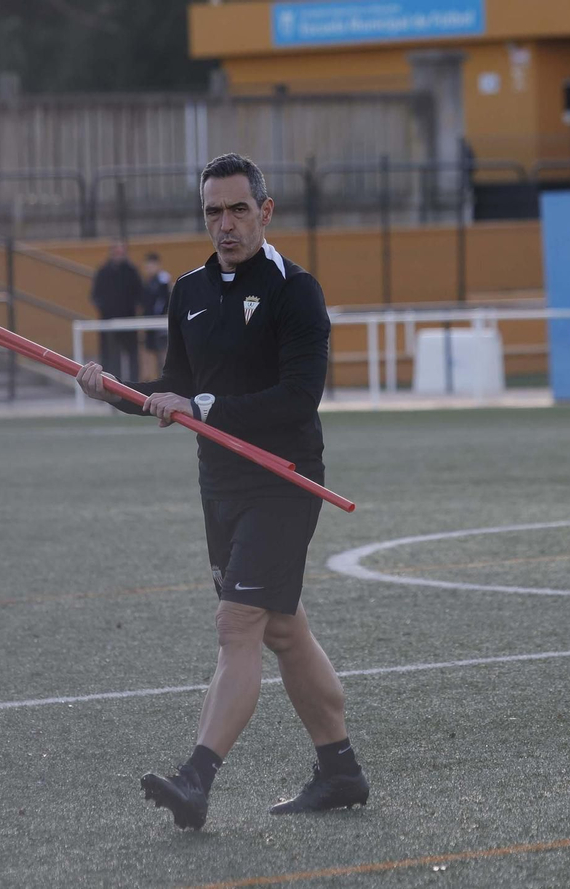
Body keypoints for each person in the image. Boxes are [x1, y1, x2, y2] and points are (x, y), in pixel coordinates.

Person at [76, 154, 367, 830]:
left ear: (265, 211)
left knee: (237, 625)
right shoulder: (188, 291)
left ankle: (196, 780)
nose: (226, 224)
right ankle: (341, 770)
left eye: (238, 209)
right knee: (283, 629)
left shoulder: (297, 291)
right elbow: (175, 388)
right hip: (220, 483)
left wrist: (201, 406)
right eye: (214, 212)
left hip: (283, 478)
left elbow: (298, 396)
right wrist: (113, 391)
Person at [89, 242, 142, 381]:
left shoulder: (131, 271)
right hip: (108, 321)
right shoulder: (103, 271)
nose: (119, 255)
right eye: (116, 252)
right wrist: (105, 308)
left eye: (121, 252)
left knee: (132, 355)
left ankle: (134, 385)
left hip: (129, 321)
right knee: (110, 355)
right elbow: (95, 295)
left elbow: (139, 293)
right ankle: (109, 384)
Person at [139, 251, 172, 378]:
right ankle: (149, 379)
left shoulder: (163, 282)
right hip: (149, 323)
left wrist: (161, 315)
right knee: (148, 352)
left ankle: (165, 378)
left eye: (151, 265)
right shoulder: (147, 283)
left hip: (160, 324)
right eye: (147, 266)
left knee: (163, 354)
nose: (149, 269)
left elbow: (164, 302)